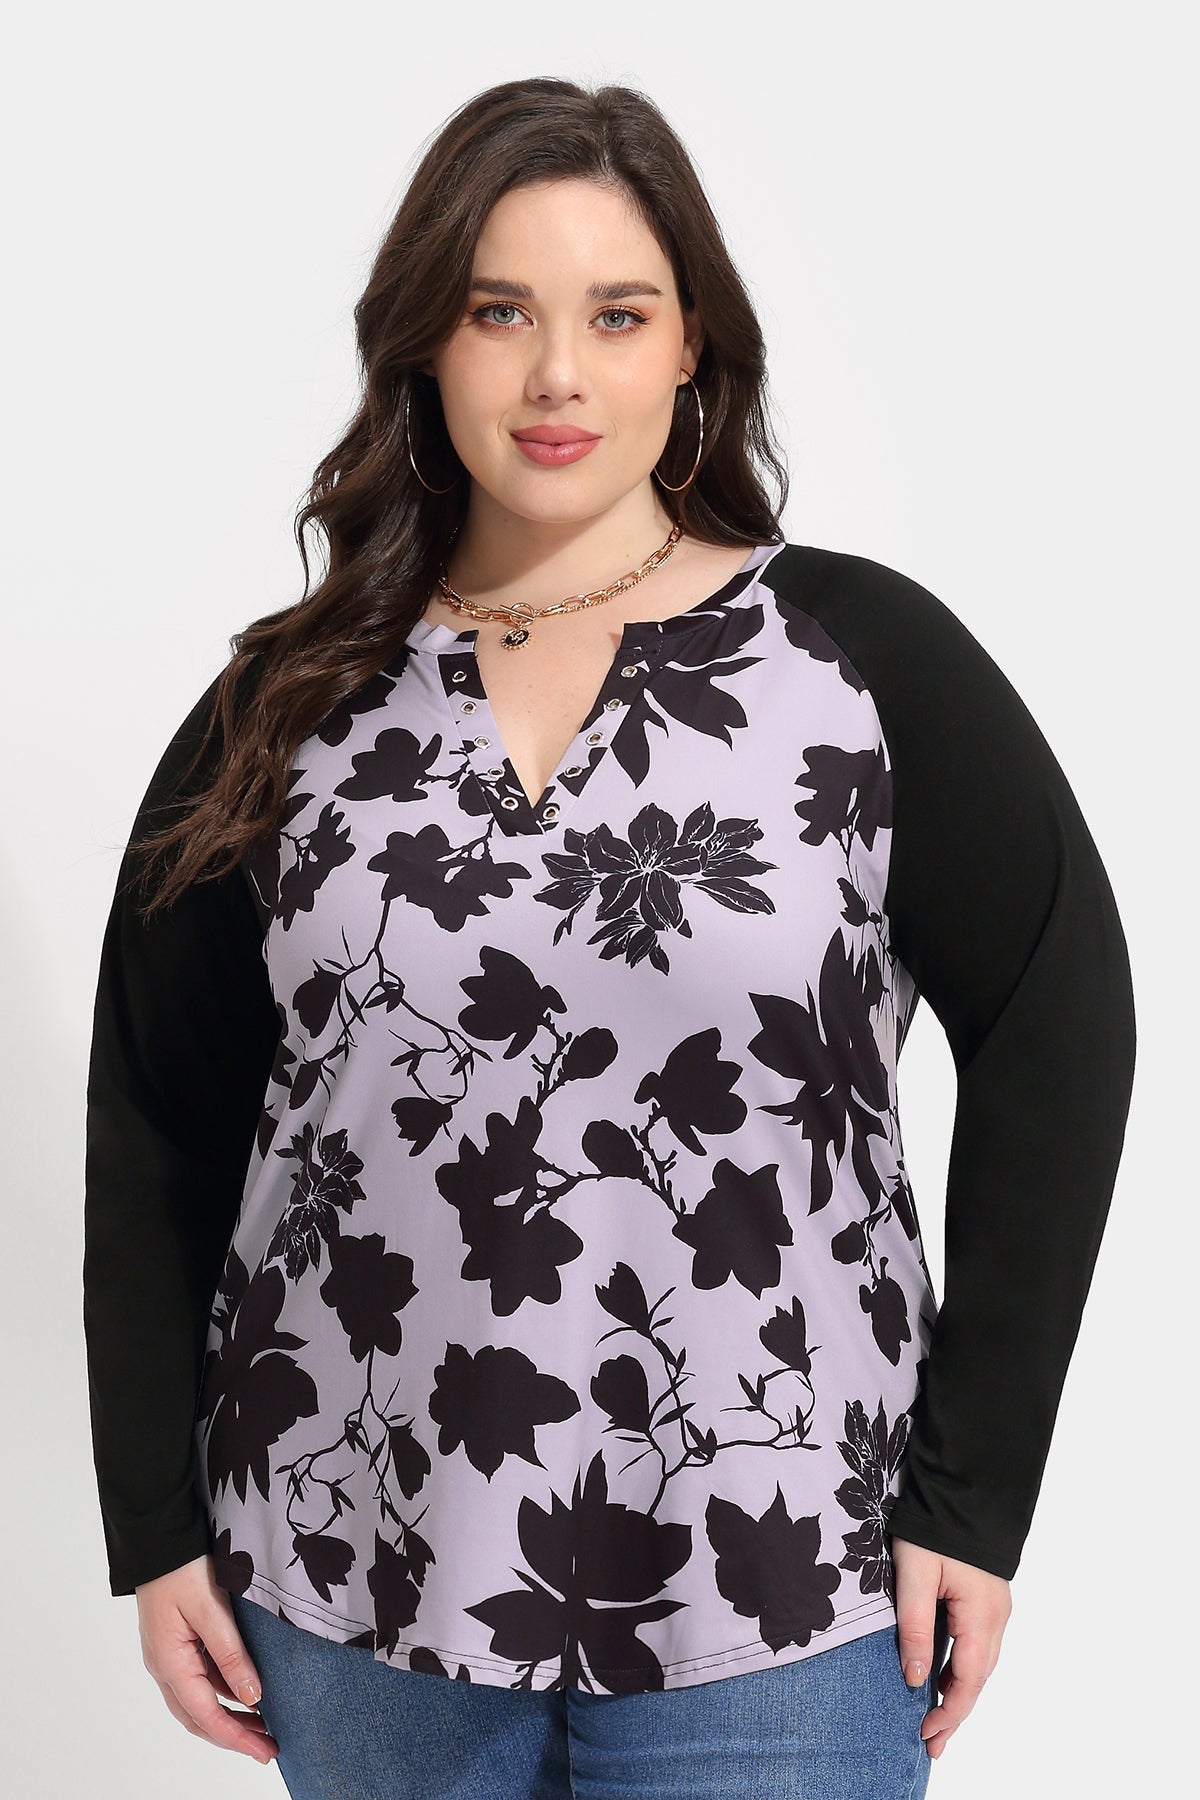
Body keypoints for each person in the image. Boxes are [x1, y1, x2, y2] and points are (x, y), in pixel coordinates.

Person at [82, 77, 1136, 1800]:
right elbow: (158, 1121)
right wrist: (152, 1524)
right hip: (356, 1577)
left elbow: (1059, 1034)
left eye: (617, 315)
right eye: (500, 312)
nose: (557, 374)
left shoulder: (857, 665)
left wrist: (975, 1493)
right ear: (424, 344)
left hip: (790, 1580)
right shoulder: (290, 706)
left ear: (692, 343)